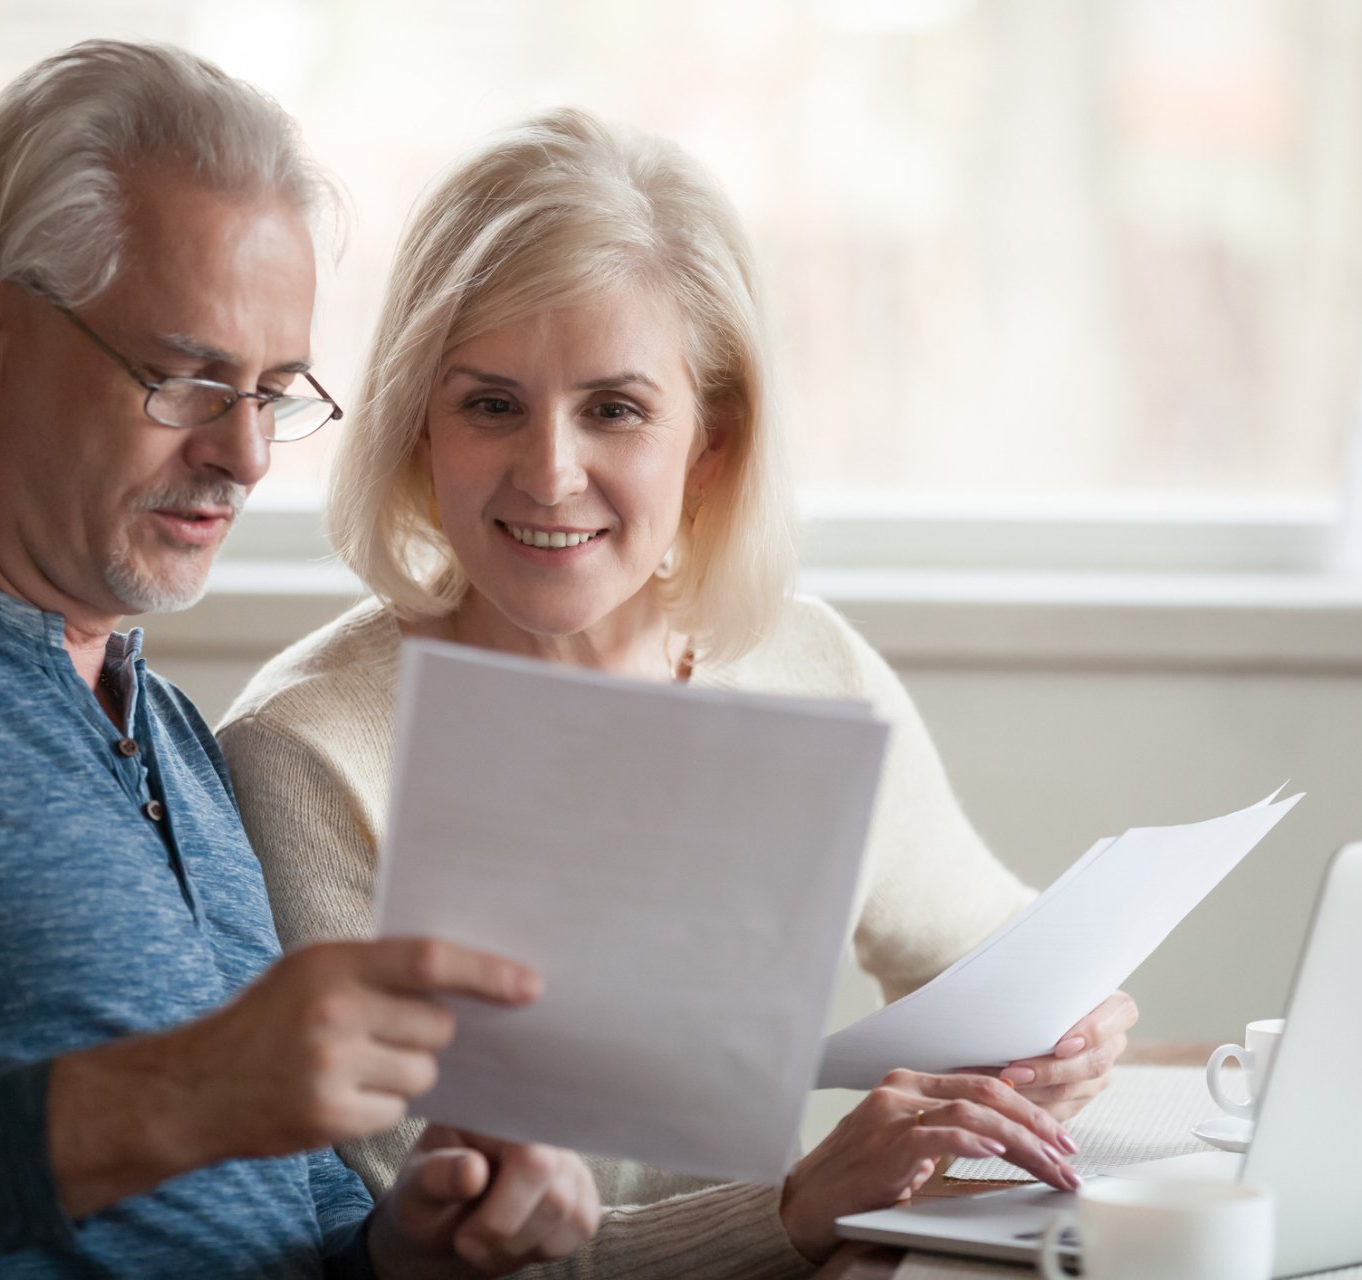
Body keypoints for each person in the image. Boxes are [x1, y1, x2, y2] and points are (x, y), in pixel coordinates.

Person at [0, 42, 600, 1279]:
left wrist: (411, 1244)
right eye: (188, 378)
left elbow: (277, 1236)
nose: (245, 455)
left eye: (275, 390)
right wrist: (177, 1093)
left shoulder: (172, 728)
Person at [217, 108, 1136, 1276]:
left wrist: (1065, 1026)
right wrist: (796, 1211)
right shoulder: (307, 751)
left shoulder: (805, 667)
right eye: (490, 403)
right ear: (415, 429)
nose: (550, 471)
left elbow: (987, 952)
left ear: (712, 441)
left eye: (615, 408)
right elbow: (426, 1248)